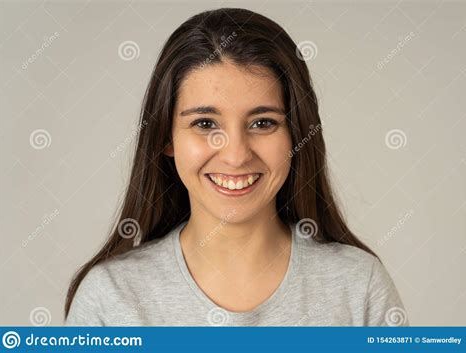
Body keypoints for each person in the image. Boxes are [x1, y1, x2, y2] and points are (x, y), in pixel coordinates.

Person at [64, 8, 408, 326]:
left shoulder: (359, 287)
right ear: (166, 138)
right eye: (204, 124)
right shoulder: (109, 300)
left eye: (262, 123)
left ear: (296, 135)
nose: (236, 155)